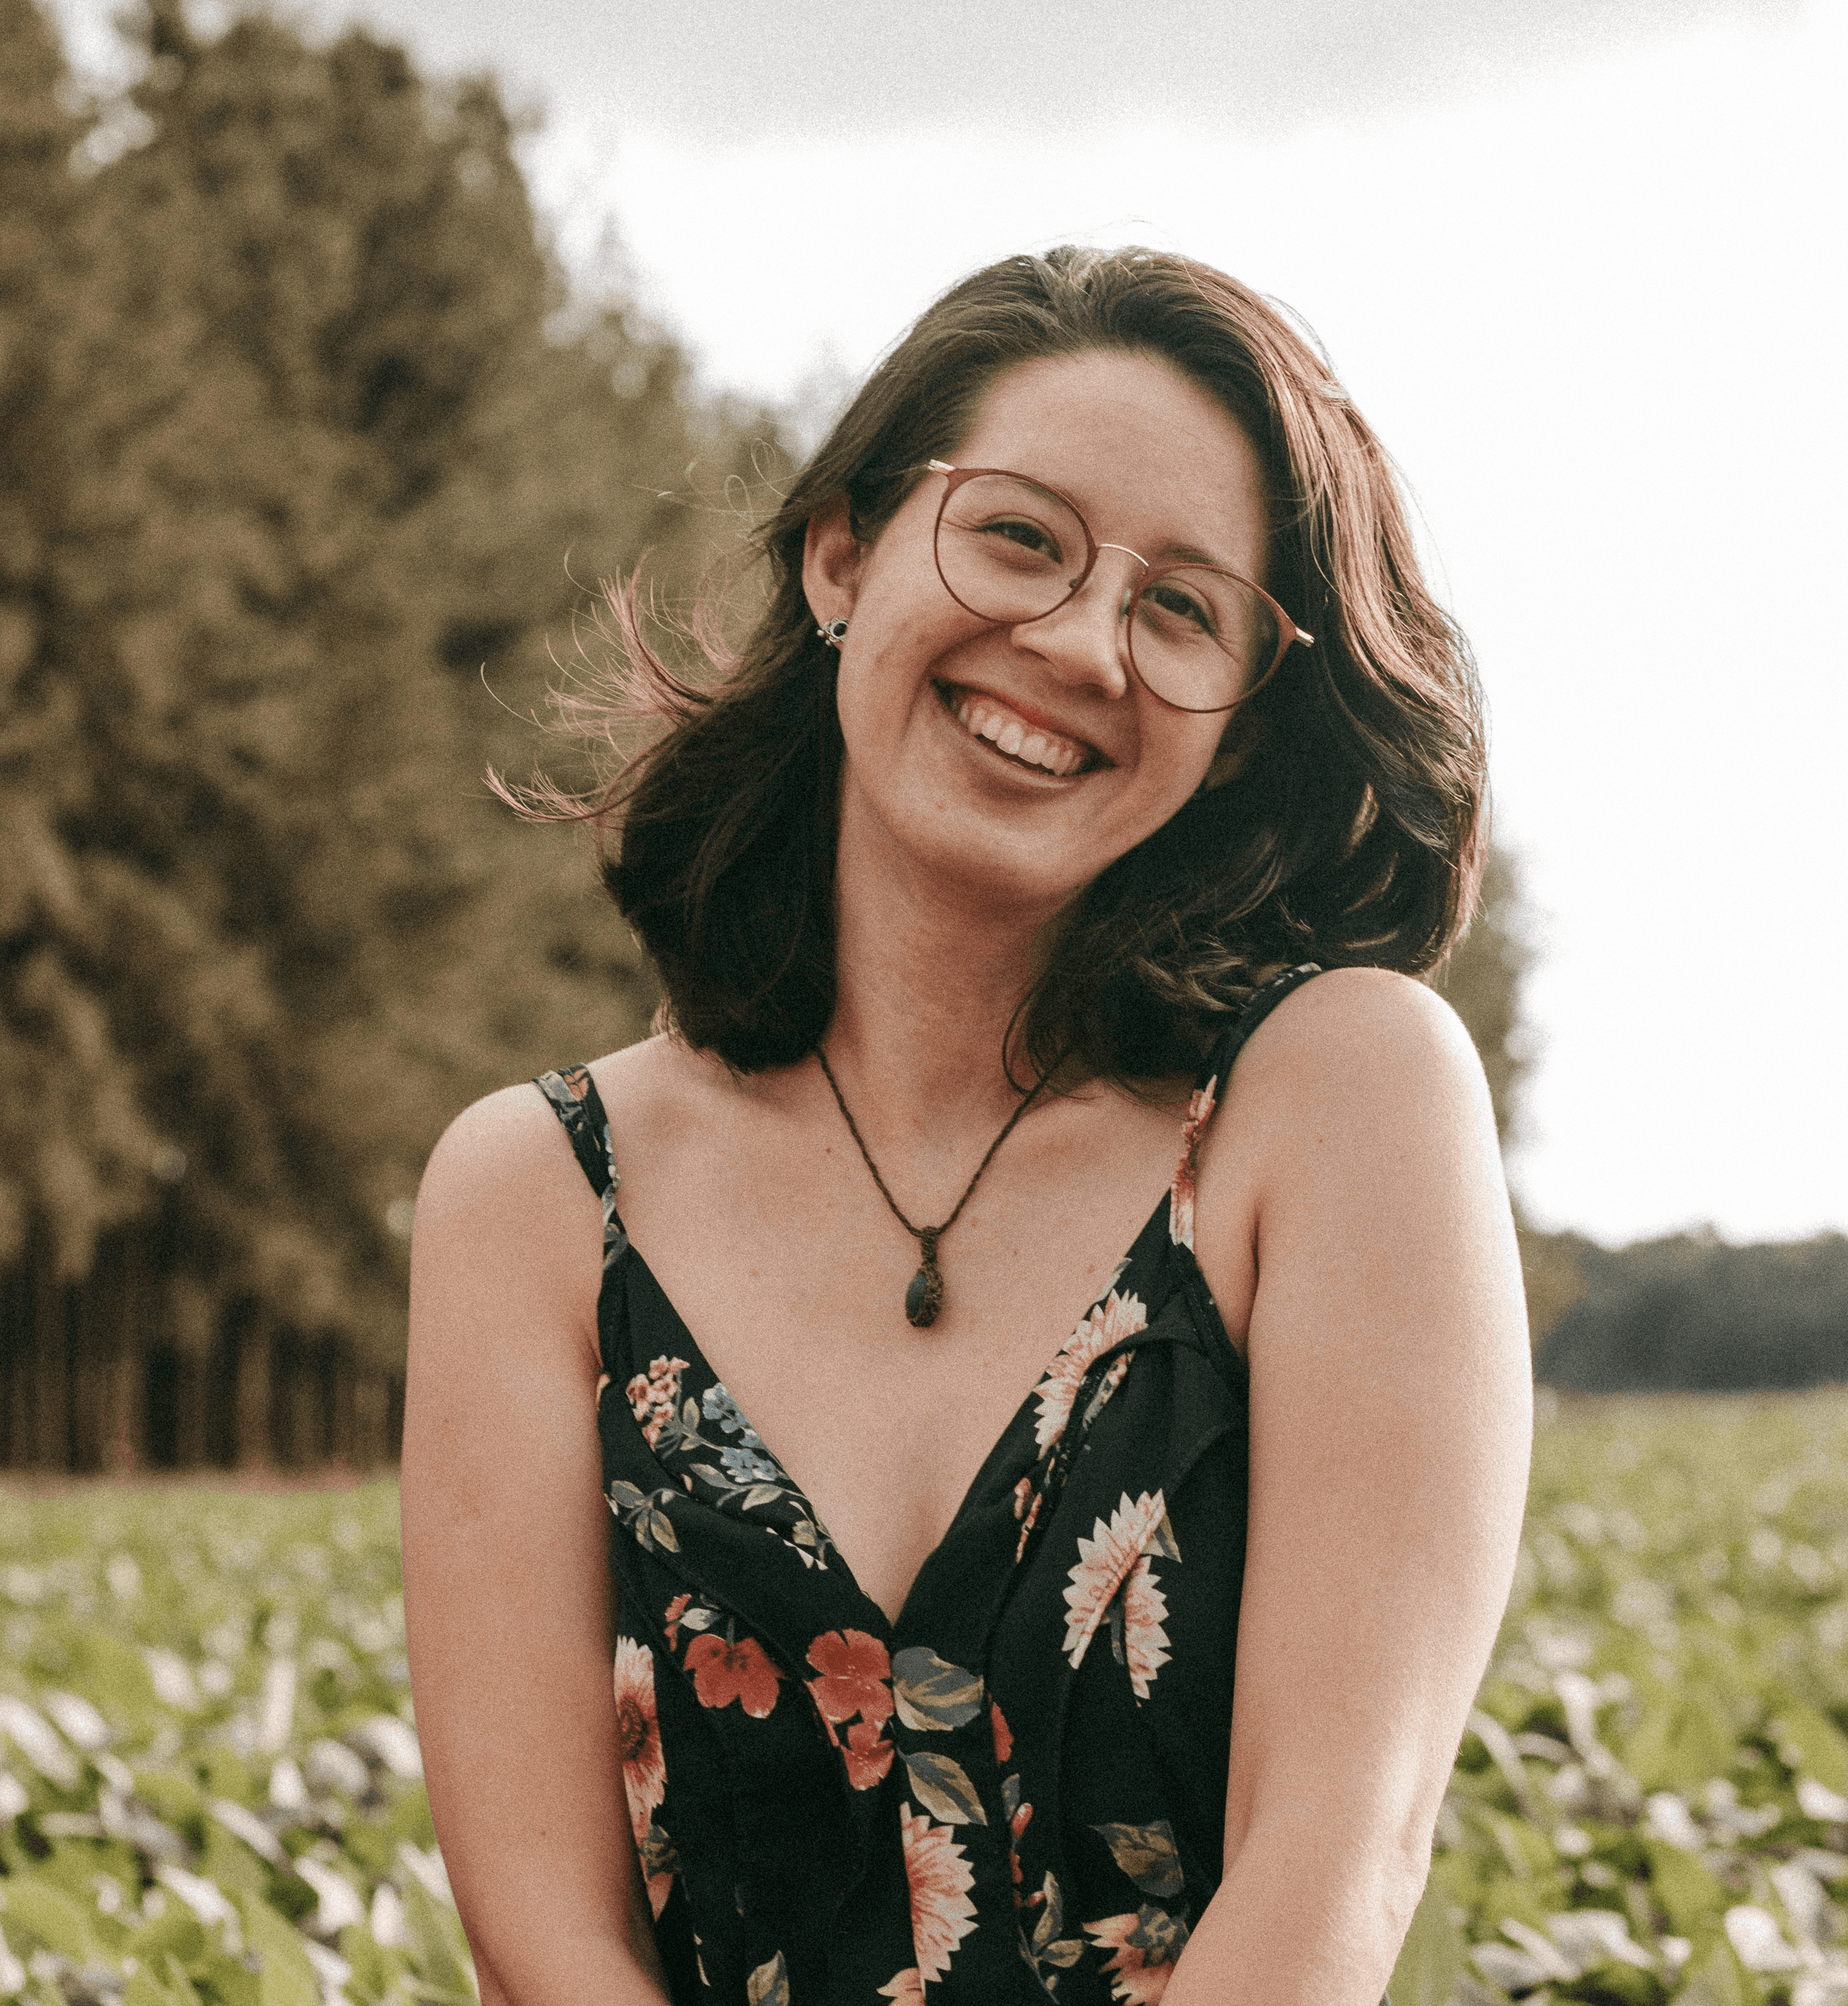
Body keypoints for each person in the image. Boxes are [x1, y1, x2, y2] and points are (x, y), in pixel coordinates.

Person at [401, 245, 1532, 2006]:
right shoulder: (536, 1195)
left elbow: (1340, 1860)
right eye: (1019, 535)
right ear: (844, 553)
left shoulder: (1334, 1106)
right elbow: (544, 1942)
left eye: (1182, 609)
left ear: (1237, 732)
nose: (1081, 641)